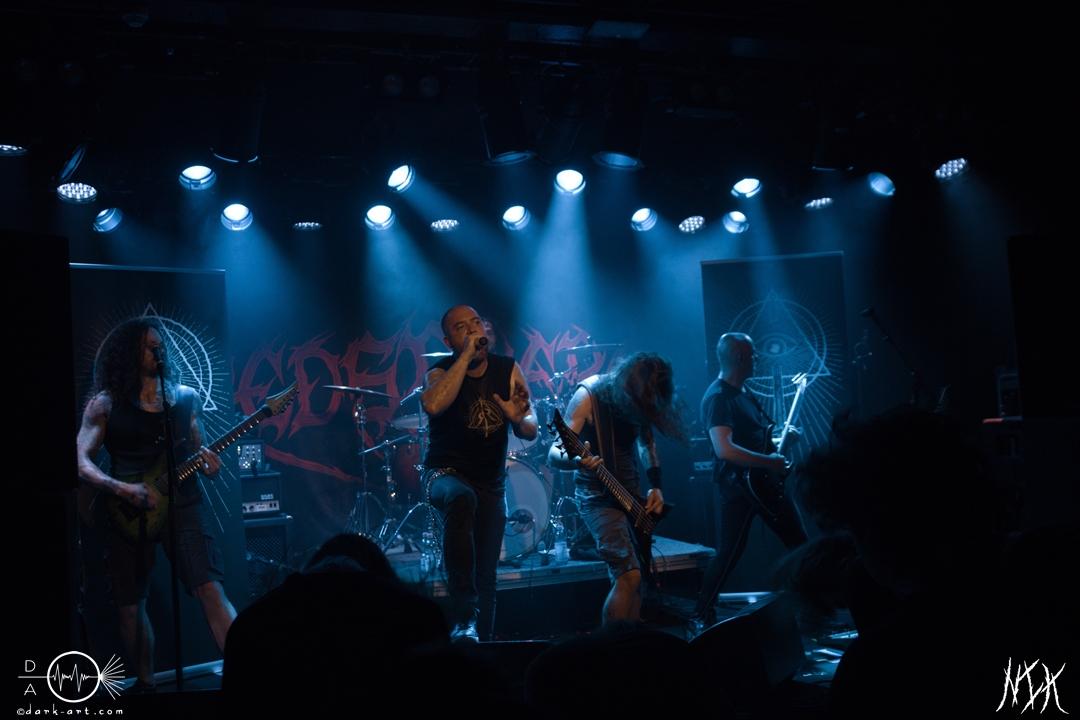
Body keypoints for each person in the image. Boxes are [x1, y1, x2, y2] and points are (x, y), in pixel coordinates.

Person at [76, 316, 237, 693]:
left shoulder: (186, 398)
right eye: (148, 345)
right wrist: (121, 488)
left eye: (159, 344)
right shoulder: (105, 404)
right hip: (128, 511)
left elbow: (201, 452)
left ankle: (245, 673)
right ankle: (146, 687)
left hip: (184, 504)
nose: (157, 349)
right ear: (127, 353)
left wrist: (212, 467)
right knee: (130, 604)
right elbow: (78, 460)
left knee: (210, 589)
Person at [421, 305, 537, 641]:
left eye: (476, 323)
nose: (473, 330)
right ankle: (463, 616)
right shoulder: (439, 372)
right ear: (448, 341)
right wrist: (464, 358)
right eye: (462, 327)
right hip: (444, 475)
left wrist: (519, 419)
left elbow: (532, 428)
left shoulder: (507, 369)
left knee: (486, 578)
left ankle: (480, 651)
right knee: (461, 497)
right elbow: (433, 404)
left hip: (491, 484)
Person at [547, 352, 686, 625]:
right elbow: (554, 453)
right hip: (597, 497)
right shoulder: (589, 395)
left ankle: (629, 643)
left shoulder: (642, 397)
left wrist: (656, 486)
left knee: (640, 580)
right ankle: (611, 646)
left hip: (631, 496)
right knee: (628, 575)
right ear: (628, 384)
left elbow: (647, 444)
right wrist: (576, 462)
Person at [691, 333, 808, 633]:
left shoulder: (744, 392)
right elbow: (725, 450)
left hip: (763, 483)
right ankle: (699, 615)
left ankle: (813, 612)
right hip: (740, 488)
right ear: (740, 358)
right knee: (729, 553)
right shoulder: (718, 397)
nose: (757, 358)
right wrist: (770, 461)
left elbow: (756, 441)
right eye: (753, 354)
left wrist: (783, 443)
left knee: (801, 545)